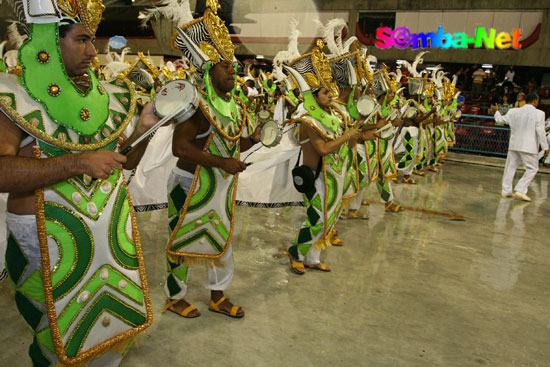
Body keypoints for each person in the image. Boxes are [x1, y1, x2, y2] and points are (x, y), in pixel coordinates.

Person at [0, 0, 157, 365]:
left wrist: (146, 130)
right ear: (50, 43)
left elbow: (120, 165)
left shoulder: (104, 97)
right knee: (58, 340)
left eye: (93, 41)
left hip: (106, 243)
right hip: (44, 243)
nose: (93, 51)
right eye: (82, 40)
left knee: (107, 329)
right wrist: (78, 162)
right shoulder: (15, 97)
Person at [150, 0, 260, 319]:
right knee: (180, 244)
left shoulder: (234, 106)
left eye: (233, 64)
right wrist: (223, 163)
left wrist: (252, 140)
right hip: (188, 185)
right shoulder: (194, 104)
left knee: (221, 242)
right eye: (225, 65)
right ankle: (175, 298)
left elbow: (230, 143)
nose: (233, 69)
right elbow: (181, 149)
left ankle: (217, 296)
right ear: (208, 69)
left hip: (220, 188)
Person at [492, 94, 549, 201]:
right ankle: (521, 189)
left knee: (510, 167)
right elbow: (540, 131)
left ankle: (506, 191)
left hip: (514, 145)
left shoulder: (513, 111)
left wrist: (497, 111)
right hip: (529, 145)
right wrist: (545, 147)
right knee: (532, 168)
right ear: (536, 101)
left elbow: (499, 120)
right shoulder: (540, 114)